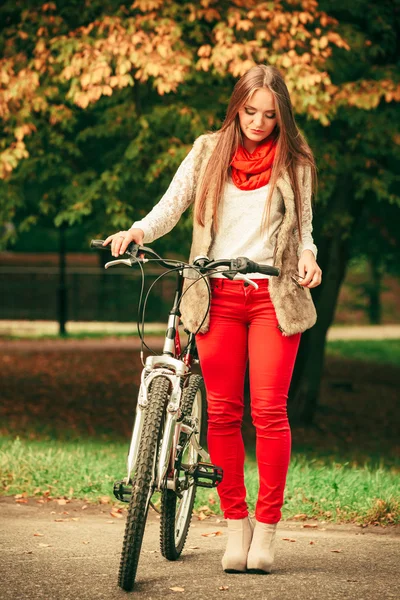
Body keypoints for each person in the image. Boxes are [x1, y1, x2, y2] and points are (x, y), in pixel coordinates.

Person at [104, 64, 322, 575]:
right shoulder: (207, 150)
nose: (259, 122)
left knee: (268, 411)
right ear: (236, 106)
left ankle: (267, 528)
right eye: (250, 111)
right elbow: (171, 207)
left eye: (270, 114)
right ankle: (237, 524)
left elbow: (305, 230)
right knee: (222, 414)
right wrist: (138, 231)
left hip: (272, 295)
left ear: (281, 114)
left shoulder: (296, 161)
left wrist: (309, 257)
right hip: (213, 294)